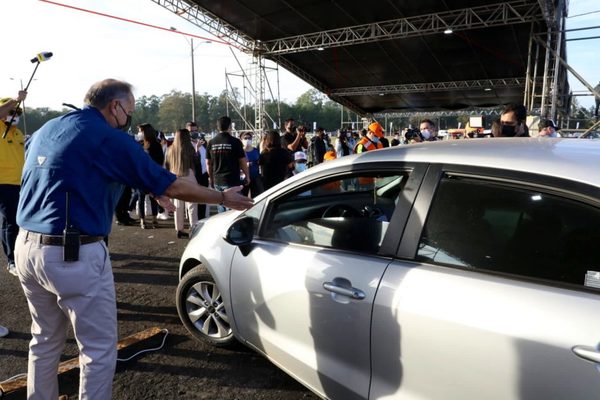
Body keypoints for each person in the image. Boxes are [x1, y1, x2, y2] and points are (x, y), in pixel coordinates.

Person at [14, 79, 252, 400]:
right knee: (97, 349)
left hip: (26, 246)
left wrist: (149, 187)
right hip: (74, 252)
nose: (129, 118)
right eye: (129, 111)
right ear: (115, 106)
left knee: (43, 339)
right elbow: (175, 186)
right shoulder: (108, 138)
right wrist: (222, 196)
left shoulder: (47, 129)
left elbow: (66, 172)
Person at [0, 90, 26, 338]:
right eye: (11, 113)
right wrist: (13, 101)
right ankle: (11, 260)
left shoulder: (17, 133)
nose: (14, 116)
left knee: (11, 222)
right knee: (10, 222)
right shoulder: (0, 127)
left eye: (17, 113)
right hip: (2, 183)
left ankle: (13, 255)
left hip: (18, 184)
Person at [206, 116, 250, 213]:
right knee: (233, 211)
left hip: (217, 181)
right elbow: (242, 161)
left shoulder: (211, 142)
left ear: (218, 127)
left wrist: (211, 178)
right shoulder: (235, 142)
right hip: (232, 181)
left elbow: (208, 163)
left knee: (221, 209)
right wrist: (247, 176)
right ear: (230, 126)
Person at [165, 128, 201, 238]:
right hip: (188, 175)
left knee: (178, 205)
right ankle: (193, 227)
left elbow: (167, 165)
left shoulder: (170, 149)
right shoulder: (189, 148)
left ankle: (179, 229)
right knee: (192, 205)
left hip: (174, 177)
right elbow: (196, 163)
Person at [136, 123, 164, 228]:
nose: (139, 133)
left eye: (140, 131)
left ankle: (154, 219)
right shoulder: (139, 144)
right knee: (141, 198)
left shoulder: (156, 145)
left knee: (154, 198)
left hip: (152, 175)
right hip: (140, 176)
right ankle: (142, 220)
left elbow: (160, 161)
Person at [240, 131, 264, 198]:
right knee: (243, 198)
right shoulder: (240, 152)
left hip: (255, 178)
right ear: (241, 140)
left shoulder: (256, 151)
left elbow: (261, 163)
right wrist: (245, 165)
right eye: (245, 138)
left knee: (256, 198)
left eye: (249, 138)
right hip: (243, 179)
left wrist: (261, 173)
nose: (248, 140)